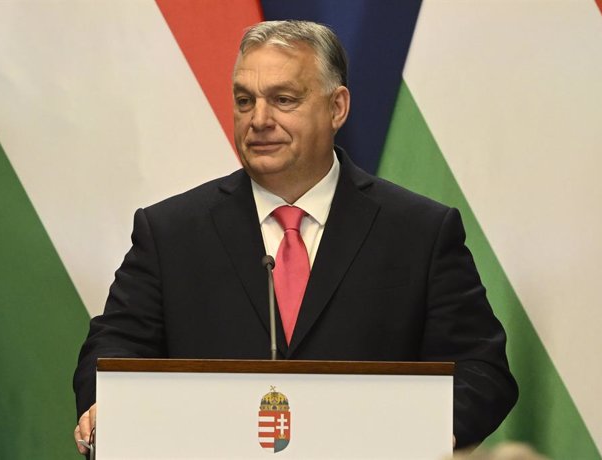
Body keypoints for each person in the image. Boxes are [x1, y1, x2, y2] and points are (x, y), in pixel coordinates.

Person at [73, 20, 518, 455]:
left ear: (337, 107)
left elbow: (481, 369)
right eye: (244, 101)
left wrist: (418, 433)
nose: (259, 119)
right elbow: (112, 350)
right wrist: (105, 405)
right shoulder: (170, 231)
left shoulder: (419, 232)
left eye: (283, 99)